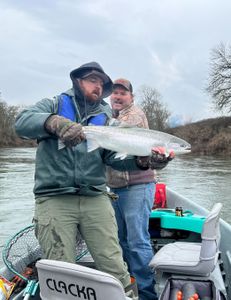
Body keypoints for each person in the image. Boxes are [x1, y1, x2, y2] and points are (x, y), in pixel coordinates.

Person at [15, 62, 170, 299]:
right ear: (77, 81)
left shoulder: (105, 116)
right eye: (92, 80)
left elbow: (113, 159)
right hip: (54, 197)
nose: (98, 86)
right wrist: (52, 122)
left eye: (101, 83)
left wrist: (143, 162)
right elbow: (22, 123)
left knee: (114, 264)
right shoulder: (54, 104)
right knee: (60, 270)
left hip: (95, 196)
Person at [107, 78, 174, 300]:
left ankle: (146, 294)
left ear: (131, 98)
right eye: (114, 93)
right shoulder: (110, 117)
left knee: (137, 241)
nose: (117, 96)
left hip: (138, 185)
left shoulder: (133, 115)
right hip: (116, 187)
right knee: (122, 240)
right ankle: (130, 285)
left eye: (122, 94)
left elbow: (115, 131)